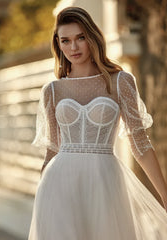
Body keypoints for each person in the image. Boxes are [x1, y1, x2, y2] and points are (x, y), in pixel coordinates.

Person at [28, 6, 167, 240]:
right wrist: (43, 197)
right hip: (58, 184)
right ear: (58, 45)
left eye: (80, 38)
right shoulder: (52, 90)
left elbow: (140, 144)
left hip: (105, 181)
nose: (73, 47)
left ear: (92, 37)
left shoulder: (120, 82)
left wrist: (164, 195)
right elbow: (52, 150)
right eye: (66, 40)